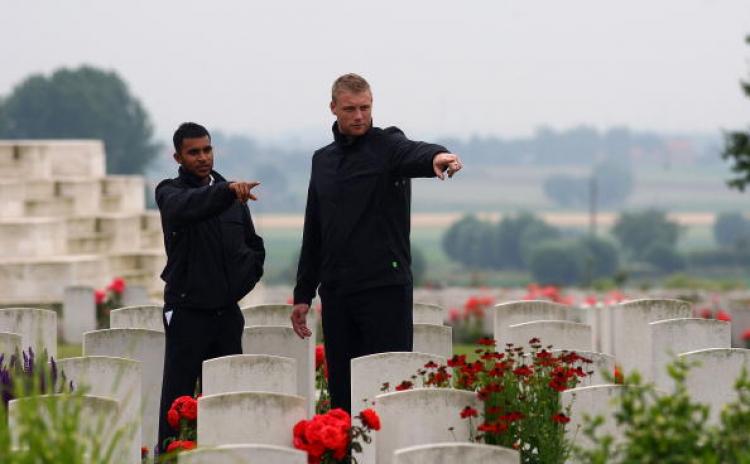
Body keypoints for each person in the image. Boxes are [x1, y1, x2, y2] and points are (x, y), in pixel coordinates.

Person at [290, 74, 463, 413]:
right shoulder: (321, 160)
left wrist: (438, 157)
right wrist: (303, 294)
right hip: (338, 293)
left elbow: (414, 152)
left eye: (365, 108)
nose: (359, 117)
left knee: (389, 389)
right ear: (333, 108)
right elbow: (315, 230)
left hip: (384, 288)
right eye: (351, 109)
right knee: (343, 392)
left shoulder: (387, 146)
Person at [155, 122, 265, 452]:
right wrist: (227, 190)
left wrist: (238, 286)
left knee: (230, 398)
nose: (203, 158)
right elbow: (189, 206)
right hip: (188, 312)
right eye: (193, 152)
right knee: (177, 404)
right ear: (178, 156)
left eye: (207, 149)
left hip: (226, 314)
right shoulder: (169, 192)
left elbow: (252, 245)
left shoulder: (233, 195)